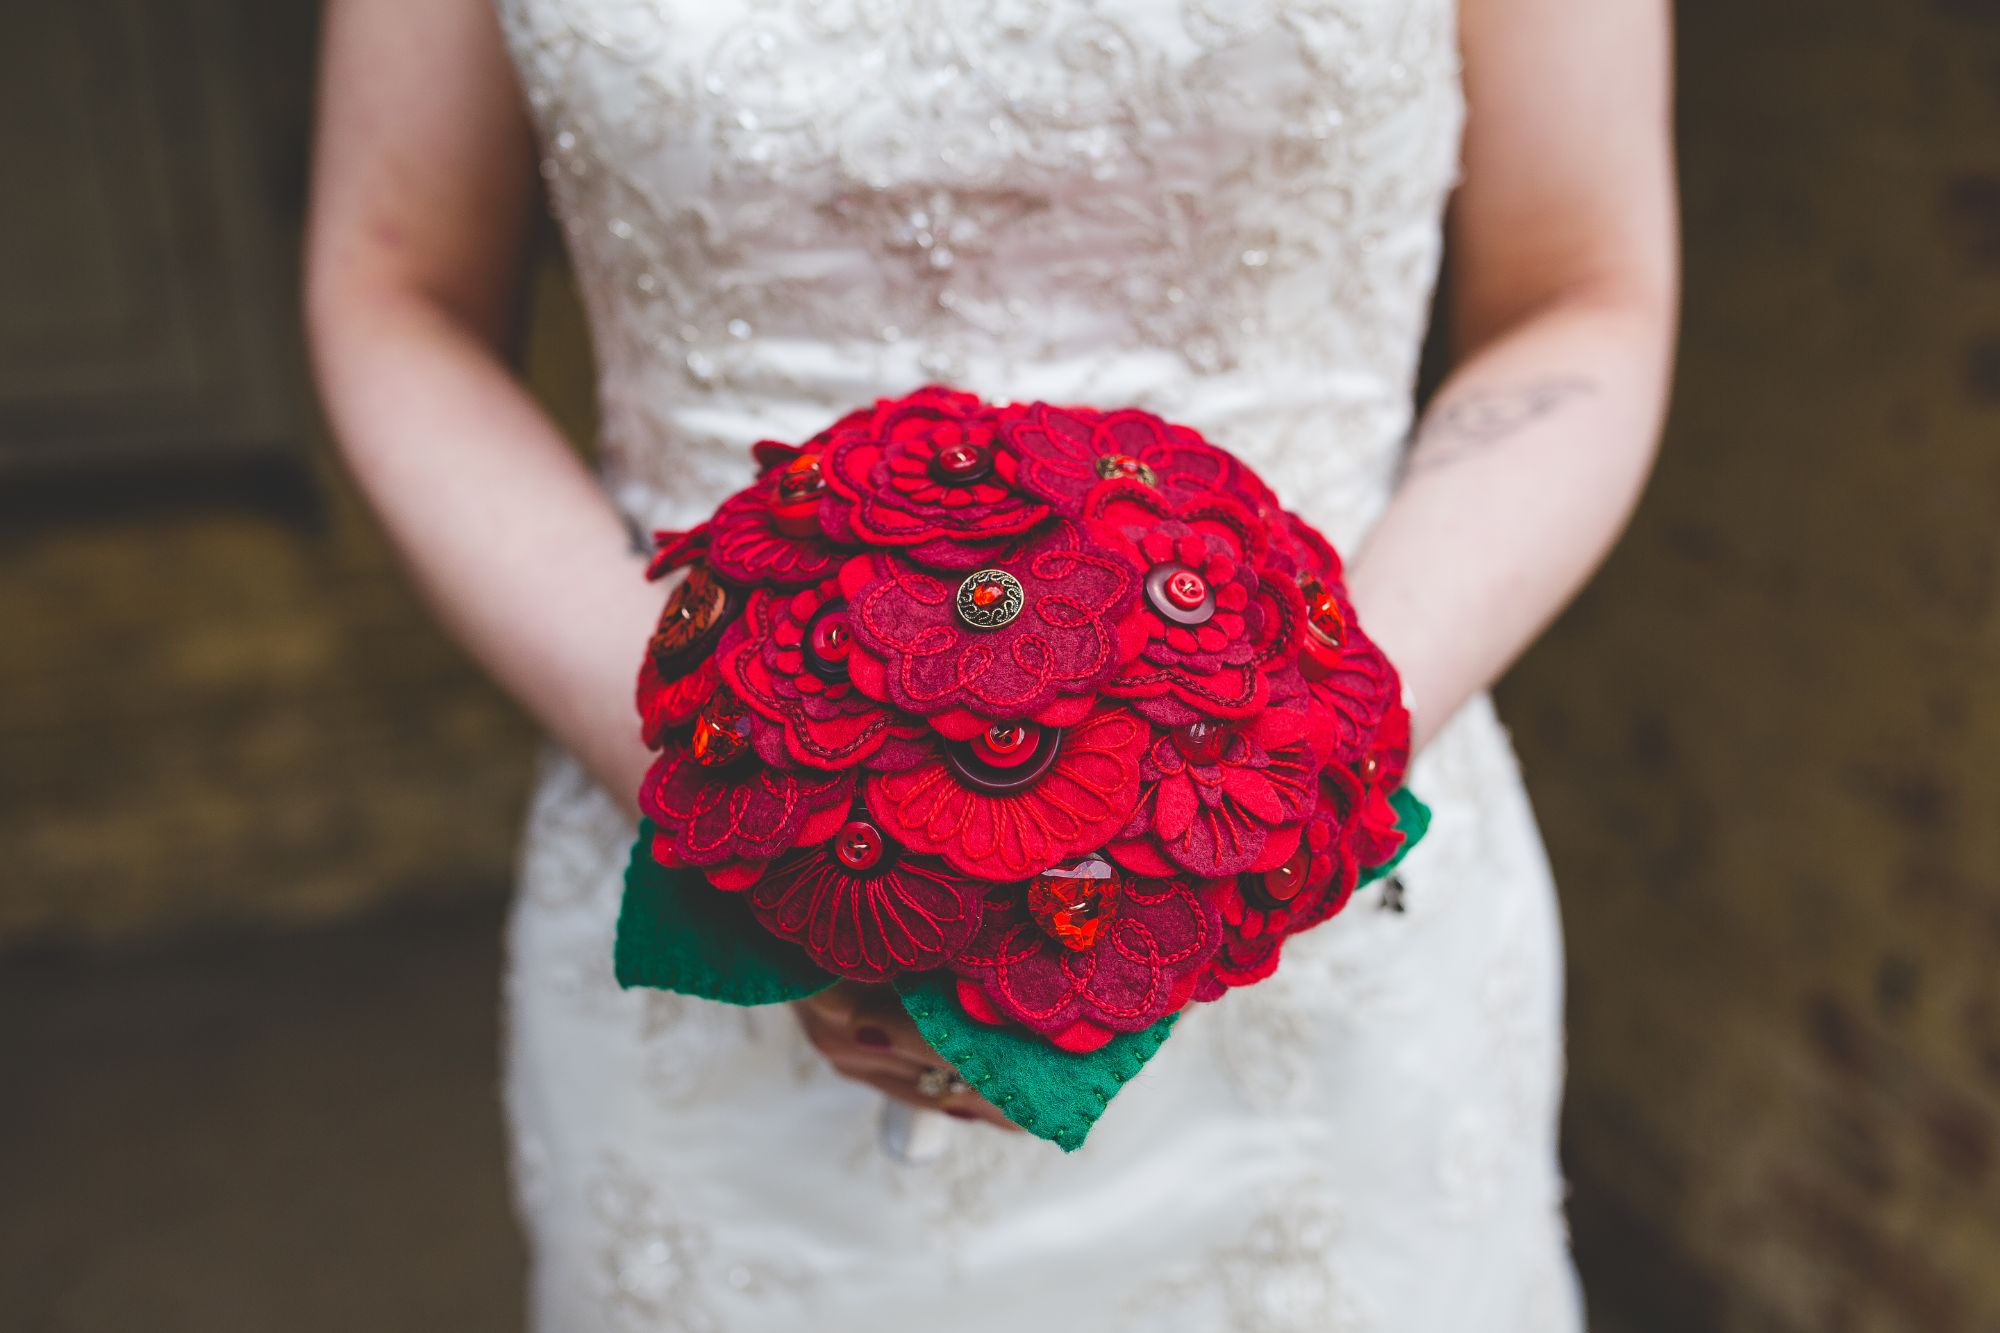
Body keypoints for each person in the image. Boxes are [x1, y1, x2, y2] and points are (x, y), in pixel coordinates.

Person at [305, 0, 1677, 1327]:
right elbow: (395, 284)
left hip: (1321, 914)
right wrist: (745, 795)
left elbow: (1579, 289)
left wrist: (1284, 774)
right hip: (699, 831)